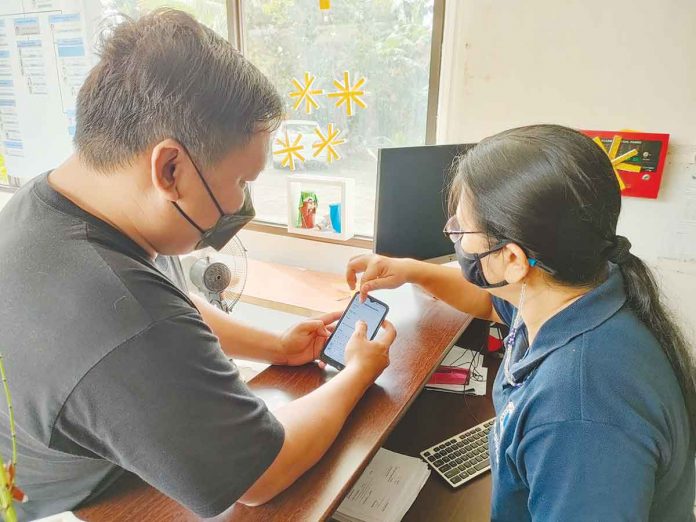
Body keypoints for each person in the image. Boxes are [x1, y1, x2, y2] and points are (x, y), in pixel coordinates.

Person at [0, 9, 396, 520]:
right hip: (66, 503)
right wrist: (359, 372)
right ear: (169, 168)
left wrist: (274, 345)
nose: (240, 206)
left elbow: (170, 300)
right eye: (241, 182)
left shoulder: (58, 198)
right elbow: (259, 475)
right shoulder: (122, 317)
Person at [347, 124, 696, 521]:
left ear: (513, 260)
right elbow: (491, 302)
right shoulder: (579, 288)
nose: (454, 239)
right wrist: (410, 270)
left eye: (461, 230)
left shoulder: (580, 411)